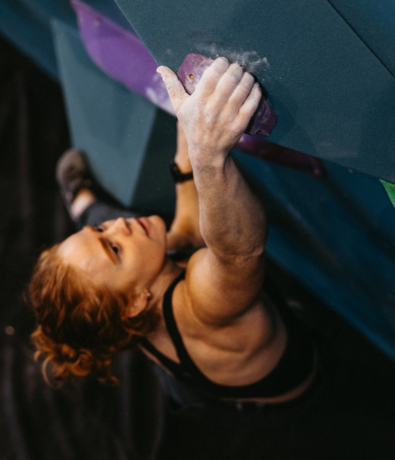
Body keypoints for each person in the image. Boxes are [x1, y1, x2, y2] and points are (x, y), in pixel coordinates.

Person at [29, 58, 317, 412]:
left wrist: (189, 139)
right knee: (155, 236)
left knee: (142, 238)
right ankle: (85, 211)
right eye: (113, 248)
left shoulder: (124, 316)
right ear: (136, 302)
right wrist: (208, 156)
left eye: (99, 230)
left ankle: (84, 207)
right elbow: (238, 252)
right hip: (280, 377)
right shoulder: (202, 304)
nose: (118, 227)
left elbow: (185, 229)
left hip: (169, 343)